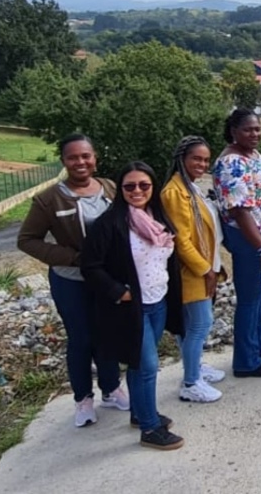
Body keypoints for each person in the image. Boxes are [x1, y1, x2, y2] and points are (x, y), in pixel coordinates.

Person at [17, 133, 129, 428]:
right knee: (81, 339)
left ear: (95, 158)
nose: (80, 162)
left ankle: (111, 389)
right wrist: (72, 257)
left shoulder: (109, 187)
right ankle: (83, 400)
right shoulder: (49, 198)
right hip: (72, 280)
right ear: (64, 161)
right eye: (73, 157)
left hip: (106, 279)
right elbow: (27, 240)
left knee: (106, 333)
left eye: (85, 156)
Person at [82, 161, 185, 450]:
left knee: (140, 367)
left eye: (144, 185)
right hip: (130, 308)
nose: (137, 191)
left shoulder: (157, 217)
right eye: (129, 186)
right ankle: (151, 429)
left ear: (153, 187)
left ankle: (141, 414)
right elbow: (90, 266)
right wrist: (119, 292)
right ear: (120, 189)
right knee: (148, 366)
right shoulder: (110, 223)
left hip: (158, 301)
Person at [213, 109, 261, 377]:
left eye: (257, 129)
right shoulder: (231, 163)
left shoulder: (249, 155)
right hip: (253, 240)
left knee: (257, 295)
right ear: (233, 131)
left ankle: (259, 343)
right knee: (249, 299)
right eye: (248, 129)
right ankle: (246, 361)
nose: (255, 134)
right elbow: (239, 210)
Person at [161, 136, 226, 403]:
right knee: (200, 324)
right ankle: (190, 383)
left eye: (205, 160)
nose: (202, 164)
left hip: (203, 264)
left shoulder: (192, 188)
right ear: (182, 159)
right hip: (191, 270)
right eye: (196, 159)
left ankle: (195, 367)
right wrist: (206, 270)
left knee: (189, 326)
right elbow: (181, 240)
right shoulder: (174, 193)